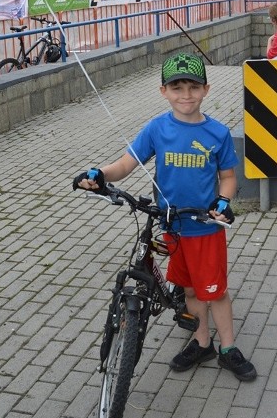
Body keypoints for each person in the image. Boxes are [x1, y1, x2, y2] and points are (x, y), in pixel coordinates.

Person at [72, 53, 257, 382]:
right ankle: (202, 342)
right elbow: (126, 165)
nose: (185, 95)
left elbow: (228, 178)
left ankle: (228, 349)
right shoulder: (157, 128)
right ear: (163, 92)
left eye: (193, 87)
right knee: (188, 291)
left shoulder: (217, 133)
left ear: (206, 90)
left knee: (213, 292)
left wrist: (224, 200)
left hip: (205, 229)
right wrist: (101, 174)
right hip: (171, 228)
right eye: (177, 87)